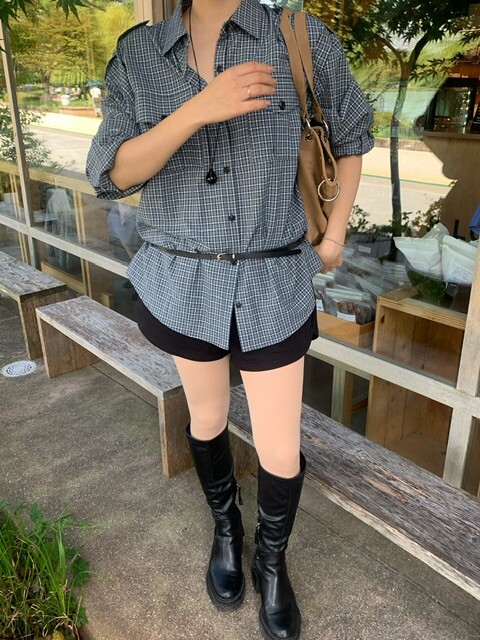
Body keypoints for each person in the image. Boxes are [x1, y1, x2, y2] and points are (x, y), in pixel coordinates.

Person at [85, 1, 374, 638]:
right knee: (208, 417)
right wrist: (198, 108)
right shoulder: (140, 52)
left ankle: (272, 560)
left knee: (279, 444)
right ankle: (226, 528)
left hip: (273, 278)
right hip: (185, 278)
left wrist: (332, 237)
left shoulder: (296, 35)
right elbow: (110, 173)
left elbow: (352, 136)